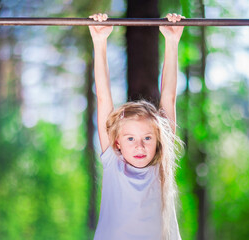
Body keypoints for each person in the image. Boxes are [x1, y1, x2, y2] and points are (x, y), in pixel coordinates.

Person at [89, 13, 185, 240]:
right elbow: (103, 98)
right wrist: (100, 41)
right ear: (117, 143)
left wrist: (172, 42)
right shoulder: (114, 162)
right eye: (130, 138)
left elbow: (169, 98)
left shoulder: (161, 166)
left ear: (158, 141)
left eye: (147, 138)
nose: (139, 146)